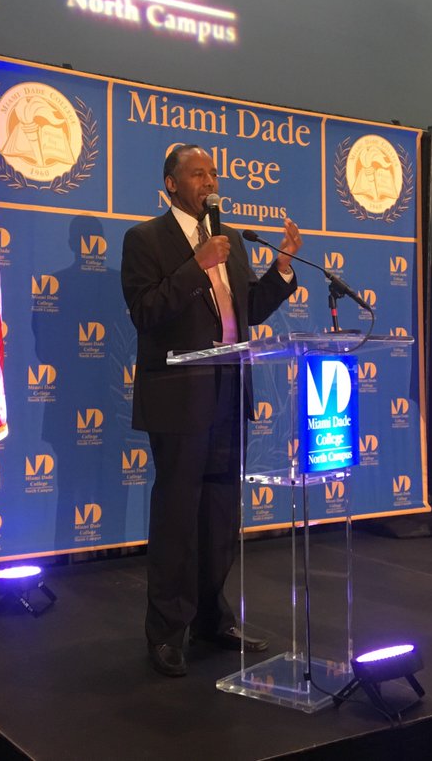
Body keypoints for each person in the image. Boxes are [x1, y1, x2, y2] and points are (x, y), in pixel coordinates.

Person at [121, 143, 301, 677]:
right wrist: (196, 267)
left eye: (213, 173)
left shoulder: (231, 242)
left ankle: (211, 619)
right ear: (171, 184)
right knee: (178, 516)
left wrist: (281, 269)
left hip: (228, 389)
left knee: (220, 515)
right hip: (179, 395)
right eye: (197, 173)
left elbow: (248, 311)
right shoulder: (145, 239)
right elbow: (145, 312)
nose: (209, 181)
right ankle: (166, 631)